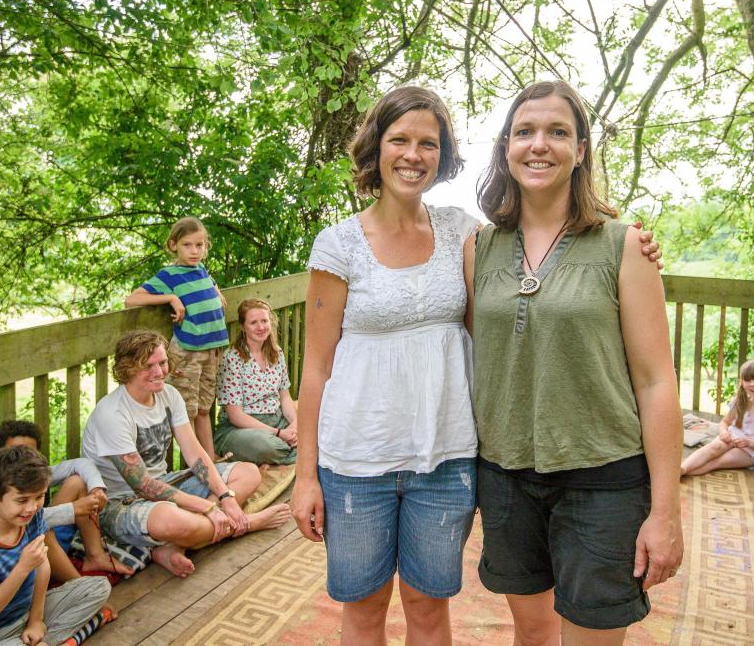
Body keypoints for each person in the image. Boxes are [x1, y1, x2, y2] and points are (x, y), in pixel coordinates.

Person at [467, 80, 683, 645]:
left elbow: (657, 381)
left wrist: (666, 513)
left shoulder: (625, 244)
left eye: (558, 132)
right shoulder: (478, 247)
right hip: (507, 476)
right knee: (531, 634)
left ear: (581, 150)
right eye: (525, 132)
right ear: (506, 148)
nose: (539, 144)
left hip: (603, 479)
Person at [289, 86, 480, 645]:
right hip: (355, 461)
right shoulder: (339, 244)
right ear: (376, 150)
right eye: (399, 140)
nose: (413, 155)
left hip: (445, 458)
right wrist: (305, 478)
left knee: (427, 608)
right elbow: (315, 370)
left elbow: (532, 255)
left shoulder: (460, 232)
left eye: (428, 143)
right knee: (365, 607)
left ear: (442, 155)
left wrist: (617, 236)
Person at [82, 329, 291, 579]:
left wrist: (224, 497)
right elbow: (143, 486)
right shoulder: (112, 415)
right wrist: (208, 508)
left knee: (248, 472)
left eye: (162, 362)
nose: (160, 372)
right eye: (149, 366)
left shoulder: (168, 395)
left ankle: (175, 544)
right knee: (172, 521)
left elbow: (195, 454)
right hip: (122, 502)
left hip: (168, 483)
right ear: (127, 369)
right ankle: (245, 524)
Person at [0, 446, 111, 646]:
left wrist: (35, 620)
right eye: (22, 500)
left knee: (98, 587)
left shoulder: (30, 517)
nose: (31, 508)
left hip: (27, 613)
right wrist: (22, 568)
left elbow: (43, 565)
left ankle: (42, 638)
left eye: (39, 497)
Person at [0, 420, 133, 578]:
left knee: (77, 482)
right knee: (40, 530)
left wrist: (96, 488)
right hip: (16, 562)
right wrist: (73, 509)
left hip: (48, 548)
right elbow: (11, 523)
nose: (23, 461)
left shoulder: (33, 474)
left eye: (29, 453)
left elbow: (80, 463)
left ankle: (96, 556)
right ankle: (78, 586)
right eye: (15, 453)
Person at [125, 217, 229, 457]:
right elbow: (133, 299)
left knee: (204, 408)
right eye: (187, 245)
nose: (194, 251)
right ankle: (196, 465)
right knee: (187, 411)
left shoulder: (200, 270)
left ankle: (210, 459)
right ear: (174, 245)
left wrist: (215, 289)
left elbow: (205, 285)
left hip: (211, 350)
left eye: (200, 245)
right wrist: (170, 298)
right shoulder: (169, 275)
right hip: (188, 352)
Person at [213, 298, 298, 465]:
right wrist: (279, 433)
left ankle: (289, 449)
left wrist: (295, 426)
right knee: (264, 445)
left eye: (264, 321)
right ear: (243, 327)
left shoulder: (276, 353)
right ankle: (295, 452)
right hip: (242, 428)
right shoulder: (232, 358)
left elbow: (285, 398)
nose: (260, 327)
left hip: (276, 419)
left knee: (315, 427)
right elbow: (235, 415)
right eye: (253, 323)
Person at [680, 359, 754, 476]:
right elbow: (725, 422)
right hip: (733, 438)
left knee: (718, 461)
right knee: (715, 447)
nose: (752, 384)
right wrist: (723, 432)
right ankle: (682, 469)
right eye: (747, 380)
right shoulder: (740, 402)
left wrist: (749, 443)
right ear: (742, 383)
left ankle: (681, 474)